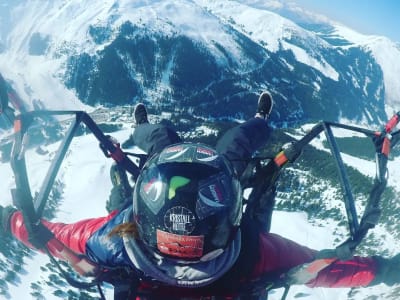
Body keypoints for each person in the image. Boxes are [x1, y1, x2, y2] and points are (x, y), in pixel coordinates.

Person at [1, 92, 399, 299]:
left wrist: (9, 220)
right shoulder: (253, 254)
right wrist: (385, 270)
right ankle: (260, 120)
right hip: (197, 210)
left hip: (152, 217)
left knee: (159, 138)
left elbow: (46, 233)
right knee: (237, 145)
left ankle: (143, 126)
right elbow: (326, 269)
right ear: (227, 221)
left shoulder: (110, 242)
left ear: (141, 218)